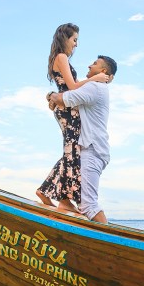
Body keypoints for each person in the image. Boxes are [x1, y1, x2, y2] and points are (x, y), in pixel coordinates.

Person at [36, 24, 109, 213]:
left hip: (66, 108)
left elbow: (69, 88)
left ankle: (50, 192)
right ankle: (62, 198)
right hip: (67, 110)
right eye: (74, 40)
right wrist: (96, 79)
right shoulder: (61, 57)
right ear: (64, 38)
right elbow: (73, 86)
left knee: (71, 151)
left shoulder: (58, 58)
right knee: (72, 151)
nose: (76, 45)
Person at [47, 55, 117, 223]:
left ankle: (110, 244)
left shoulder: (95, 88)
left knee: (88, 206)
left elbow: (63, 98)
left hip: (92, 150)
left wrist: (52, 96)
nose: (89, 65)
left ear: (103, 71)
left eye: (94, 64)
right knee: (84, 203)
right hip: (92, 149)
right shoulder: (95, 88)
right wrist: (54, 98)